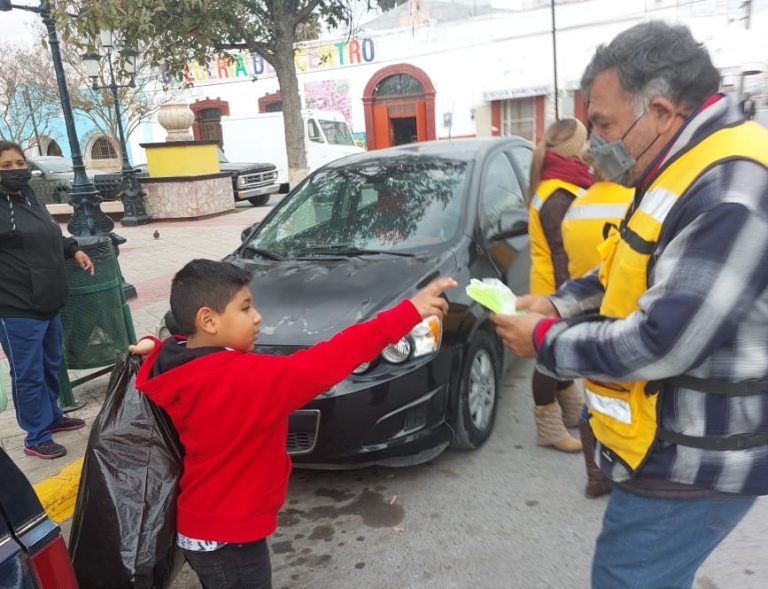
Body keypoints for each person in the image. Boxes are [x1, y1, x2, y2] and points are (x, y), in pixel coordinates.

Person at [491, 21, 768, 588]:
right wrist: (556, 303)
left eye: (605, 124)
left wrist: (542, 342)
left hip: (690, 460)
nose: (595, 145)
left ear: (661, 112)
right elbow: (627, 262)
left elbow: (662, 340)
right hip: (661, 442)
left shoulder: (729, 190)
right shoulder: (679, 163)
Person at [131, 259, 456, 589]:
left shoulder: (178, 364)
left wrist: (152, 346)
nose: (257, 317)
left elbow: (173, 348)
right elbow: (329, 359)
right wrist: (407, 313)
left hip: (202, 526)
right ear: (208, 320)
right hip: (231, 538)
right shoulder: (246, 379)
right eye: (245, 309)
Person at [0, 141, 94, 459]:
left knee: (51, 365)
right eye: (6, 166)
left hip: (49, 299)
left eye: (19, 163)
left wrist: (74, 249)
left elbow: (51, 232)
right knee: (27, 372)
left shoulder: (29, 196)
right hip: (15, 307)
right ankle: (35, 435)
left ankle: (52, 417)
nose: (16, 170)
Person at [561, 179, 633, 497]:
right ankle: (626, 468)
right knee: (627, 397)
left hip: (586, 309)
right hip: (626, 311)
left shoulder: (576, 207)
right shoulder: (637, 201)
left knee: (595, 396)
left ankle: (595, 474)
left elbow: (570, 260)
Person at [526, 117, 593, 452]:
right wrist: (568, 300)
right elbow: (560, 253)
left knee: (558, 350)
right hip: (555, 287)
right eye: (586, 141)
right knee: (549, 357)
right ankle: (548, 427)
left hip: (552, 283)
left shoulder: (559, 185)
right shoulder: (559, 194)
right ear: (575, 150)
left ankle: (568, 410)